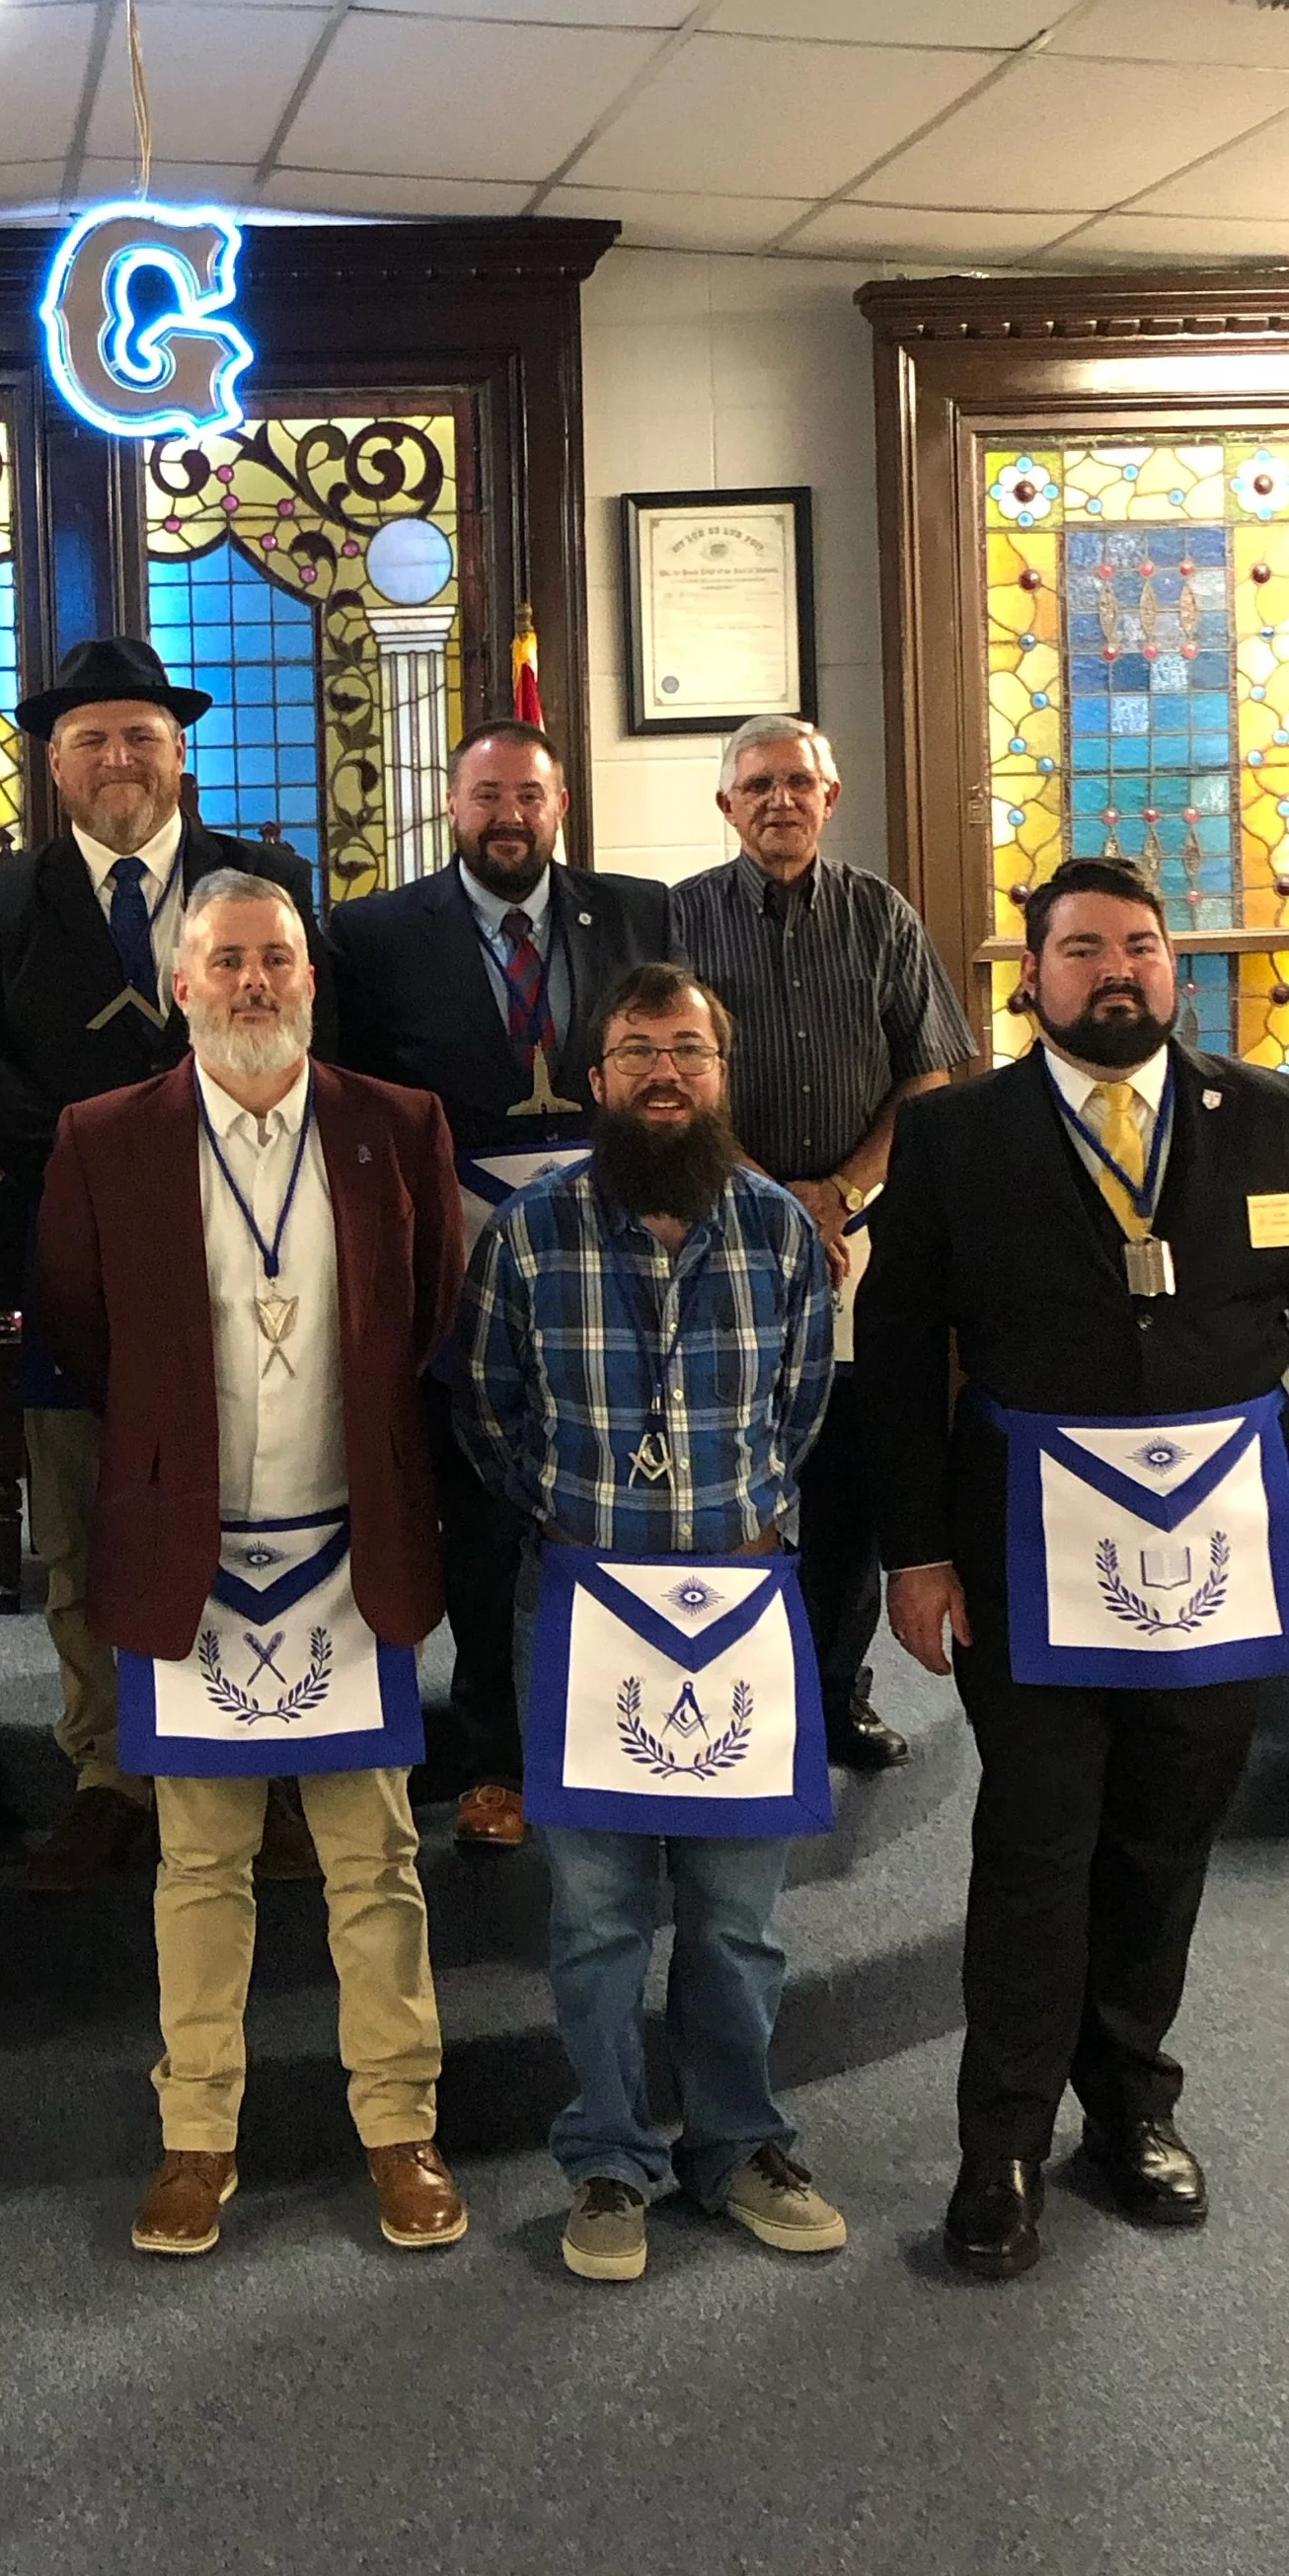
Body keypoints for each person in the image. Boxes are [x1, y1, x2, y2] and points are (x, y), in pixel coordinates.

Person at [857, 858, 1289, 2282]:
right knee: (1037, 1846)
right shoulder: (958, 1135)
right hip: (1030, 1560)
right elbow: (898, 1360)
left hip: (1223, 1559)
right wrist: (915, 1551)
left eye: (1140, 947)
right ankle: (1003, 2145)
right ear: (1030, 976)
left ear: (1173, 968)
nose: (1117, 971)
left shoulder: (1271, 1115)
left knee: (1164, 1838)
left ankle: (1130, 2108)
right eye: (1082, 947)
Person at [35, 871, 470, 2257]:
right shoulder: (107, 1137)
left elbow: (434, 1321)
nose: (253, 985)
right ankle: (196, 2138)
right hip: (196, 1563)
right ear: (181, 984)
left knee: (376, 1860)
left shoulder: (396, 1128)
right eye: (225, 962)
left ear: (310, 977)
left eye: (276, 960)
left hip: (354, 1549)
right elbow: (81, 1329)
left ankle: (402, 2128)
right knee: (199, 1866)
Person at [454, 960, 846, 2286]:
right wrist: (581, 1521)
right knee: (597, 1915)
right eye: (637, 1052)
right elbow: (489, 1409)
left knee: (737, 1918)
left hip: (738, 1603)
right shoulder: (531, 1230)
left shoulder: (783, 1233)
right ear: (598, 1077)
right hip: (579, 1603)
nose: (665, 1072)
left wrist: (728, 1517)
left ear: (723, 1076)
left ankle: (738, 2144)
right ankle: (608, 2158)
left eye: (690, 1050)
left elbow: (799, 1414)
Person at [0, 637, 330, 1892]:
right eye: (93, 739)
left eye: (143, 737)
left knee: (248, 1506)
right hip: (68, 1259)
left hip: (254, 1251)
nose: (120, 759)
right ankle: (108, 1772)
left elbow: (309, 1043)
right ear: (55, 764)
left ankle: (254, 1767)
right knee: (84, 1518)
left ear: (179, 753)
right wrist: (116, 1164)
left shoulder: (261, 881)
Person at [327, 720, 677, 1851]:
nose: (506, 816)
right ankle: (490, 1757)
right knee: (478, 1514)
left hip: (612, 1264)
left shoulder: (635, 912)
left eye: (527, 794)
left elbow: (677, 1070)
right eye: (485, 797)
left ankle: (618, 1728)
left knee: (612, 1497)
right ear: (452, 807)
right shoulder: (374, 932)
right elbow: (352, 1102)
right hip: (454, 1268)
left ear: (559, 803)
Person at [670, 716, 973, 1775]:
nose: (778, 800)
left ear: (829, 797)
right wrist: (766, 1191)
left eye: (798, 781)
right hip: (719, 1233)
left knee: (850, 1467)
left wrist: (840, 1191)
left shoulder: (880, 917)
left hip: (861, 1236)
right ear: (724, 806)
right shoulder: (679, 921)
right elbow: (666, 1081)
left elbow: (930, 1071)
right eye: (755, 784)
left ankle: (832, 1692)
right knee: (734, 1469)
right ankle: (731, 1682)